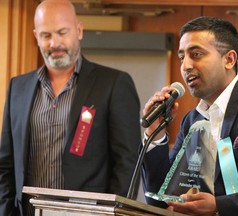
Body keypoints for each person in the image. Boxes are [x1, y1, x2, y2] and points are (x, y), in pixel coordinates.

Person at [0, 0, 141, 215]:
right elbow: (6, 165)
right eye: (46, 35)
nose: (54, 43)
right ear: (35, 36)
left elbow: (127, 163)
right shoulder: (17, 88)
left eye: (62, 32)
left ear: (79, 31)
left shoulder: (114, 84)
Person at [141, 16, 238, 216]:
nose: (186, 66)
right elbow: (161, 199)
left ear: (229, 59)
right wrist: (155, 132)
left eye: (196, 54)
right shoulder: (193, 120)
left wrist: (219, 206)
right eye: (182, 57)